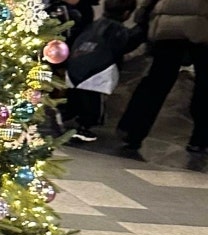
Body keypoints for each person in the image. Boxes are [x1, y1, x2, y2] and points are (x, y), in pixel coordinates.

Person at [117, 0, 208, 154]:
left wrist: (143, 13)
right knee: (204, 84)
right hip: (203, 24)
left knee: (157, 79)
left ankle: (132, 130)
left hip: (168, 25)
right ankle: (200, 139)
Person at [64, 0, 144, 141]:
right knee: (94, 103)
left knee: (75, 98)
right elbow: (127, 44)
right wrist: (142, 29)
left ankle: (65, 117)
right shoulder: (117, 30)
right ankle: (84, 127)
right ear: (127, 13)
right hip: (97, 71)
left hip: (75, 66)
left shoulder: (92, 25)